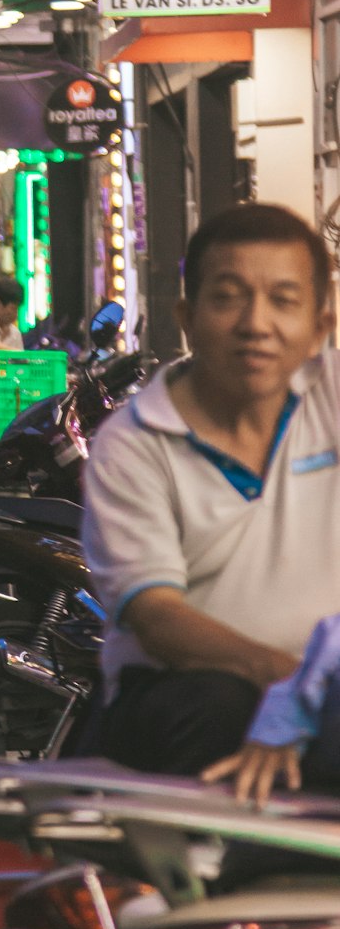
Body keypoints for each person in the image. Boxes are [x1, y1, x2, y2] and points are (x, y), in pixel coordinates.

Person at [82, 202, 340, 796]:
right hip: (181, 697)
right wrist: (290, 689)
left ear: (319, 328)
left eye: (283, 300)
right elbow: (158, 618)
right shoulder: (134, 443)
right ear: (187, 319)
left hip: (321, 688)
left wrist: (307, 694)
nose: (256, 323)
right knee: (219, 703)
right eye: (228, 297)